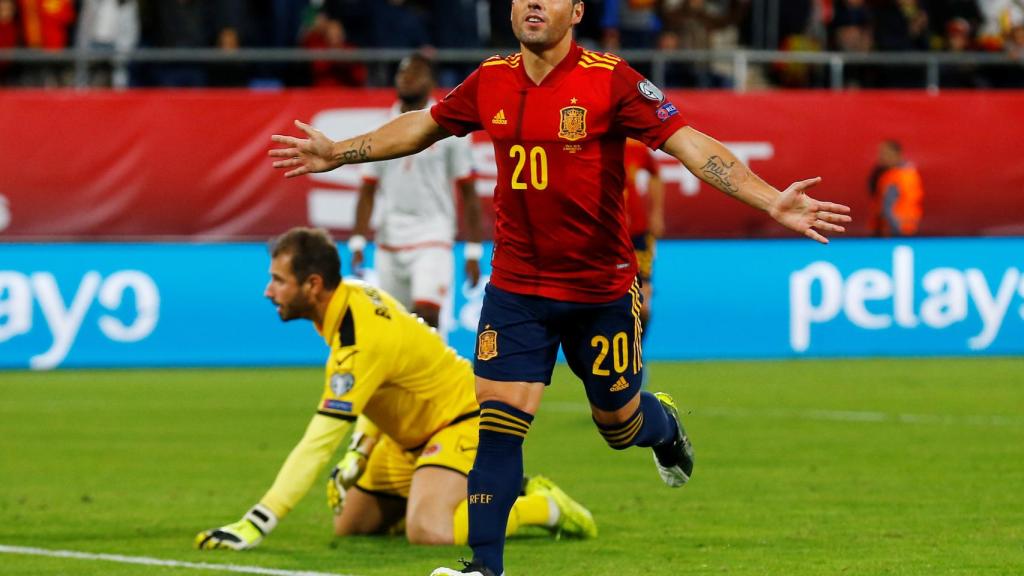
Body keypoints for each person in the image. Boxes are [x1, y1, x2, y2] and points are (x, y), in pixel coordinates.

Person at [268, 1, 851, 574]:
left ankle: (664, 426)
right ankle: (484, 568)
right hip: (517, 288)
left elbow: (691, 145)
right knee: (497, 425)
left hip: (599, 292)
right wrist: (340, 152)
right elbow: (422, 126)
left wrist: (770, 198)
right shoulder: (490, 80)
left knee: (618, 425)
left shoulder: (612, 81)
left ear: (576, 11)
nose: (531, 6)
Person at [195, 227, 596, 551]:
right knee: (351, 527)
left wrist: (258, 521)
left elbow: (317, 442)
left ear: (313, 285)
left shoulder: (359, 339)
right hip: (404, 435)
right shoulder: (349, 297)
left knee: (430, 531)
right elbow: (382, 385)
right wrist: (358, 452)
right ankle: (439, 488)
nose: (269, 291)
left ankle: (540, 506)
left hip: (460, 421)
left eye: (277, 281)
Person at [349, 53, 484, 329]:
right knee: (396, 328)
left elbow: (469, 193)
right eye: (402, 73)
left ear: (431, 81)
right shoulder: (379, 127)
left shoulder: (449, 127)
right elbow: (367, 190)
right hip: (389, 239)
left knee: (426, 316)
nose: (406, 78)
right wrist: (358, 241)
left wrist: (472, 251)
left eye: (415, 73)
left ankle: (437, 371)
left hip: (433, 236)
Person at [622, 138, 663, 334]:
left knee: (643, 306)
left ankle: (637, 358)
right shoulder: (586, 145)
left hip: (638, 236)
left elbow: (655, 174)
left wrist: (656, 213)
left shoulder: (634, 147)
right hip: (606, 238)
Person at [868, 140, 923, 237]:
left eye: (885, 153)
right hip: (908, 226)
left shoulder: (894, 177)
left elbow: (887, 207)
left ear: (896, 154)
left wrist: (894, 230)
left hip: (894, 230)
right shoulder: (910, 172)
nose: (881, 157)